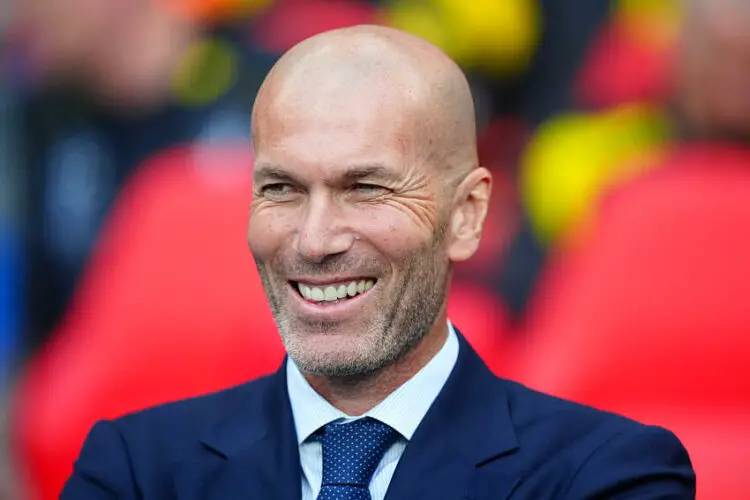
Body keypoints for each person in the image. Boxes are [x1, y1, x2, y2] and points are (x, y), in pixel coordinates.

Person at [61, 25, 695, 499]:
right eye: (281, 189)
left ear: (467, 215)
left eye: (366, 188)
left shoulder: (607, 475)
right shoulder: (134, 470)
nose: (313, 240)